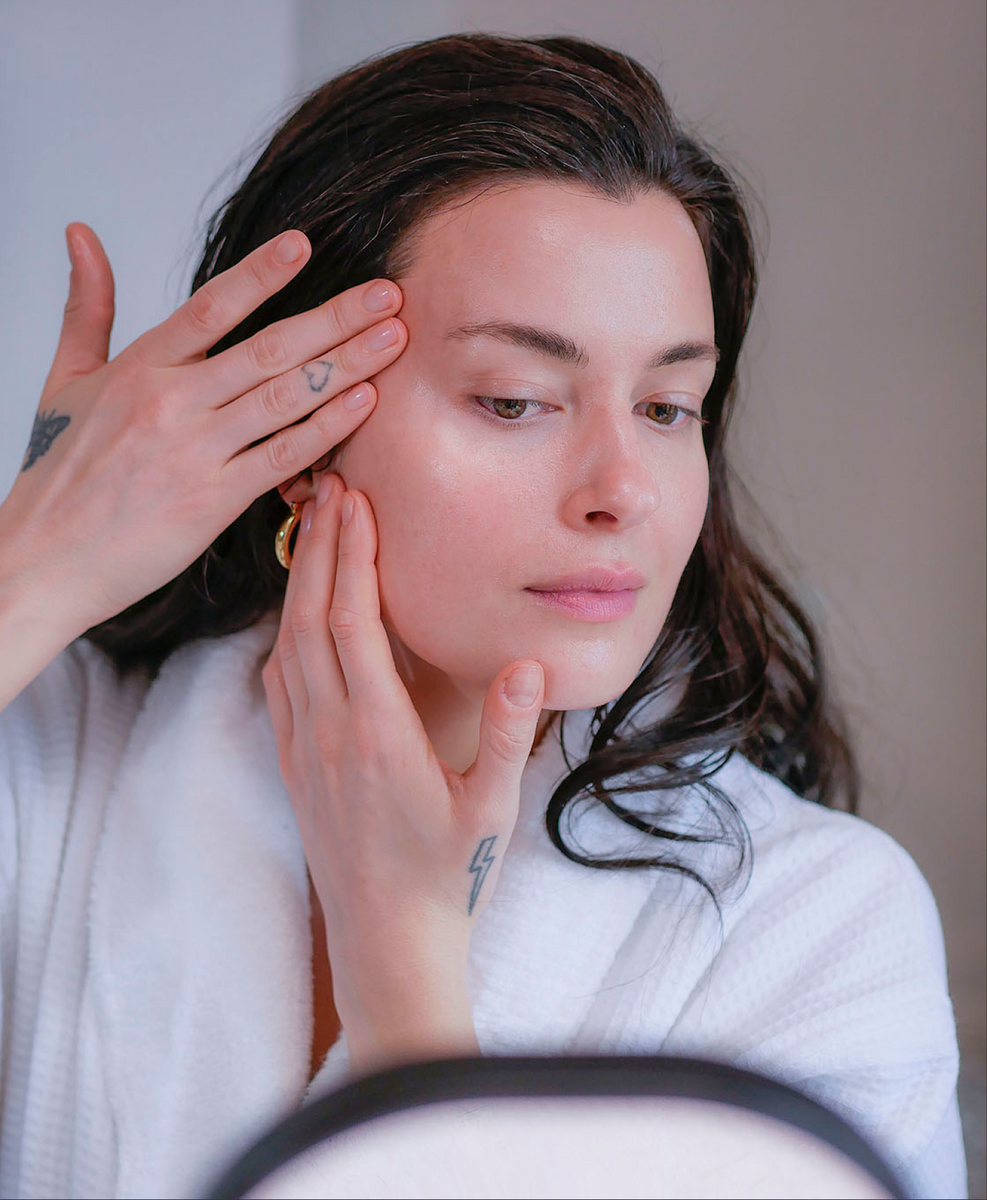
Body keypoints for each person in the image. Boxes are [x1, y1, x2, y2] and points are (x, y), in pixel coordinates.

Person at [0, 31, 966, 1200]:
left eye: (669, 407)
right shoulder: (55, 770)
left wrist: (409, 1000)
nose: (623, 491)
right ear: (292, 435)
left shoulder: (819, 925)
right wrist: (39, 560)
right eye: (516, 400)